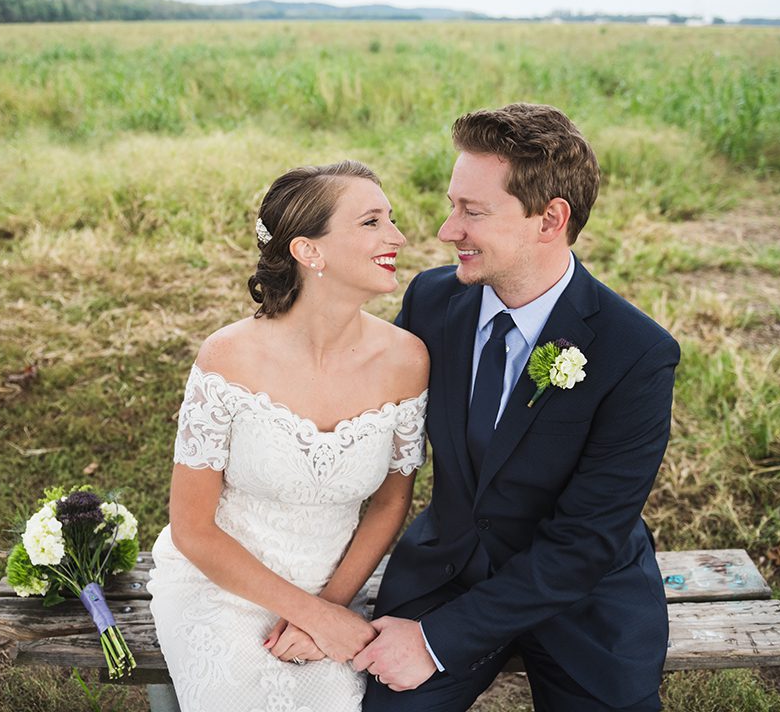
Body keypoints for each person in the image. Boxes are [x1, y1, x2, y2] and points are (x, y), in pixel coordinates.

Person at [355, 104, 680, 712]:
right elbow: (367, 434)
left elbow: (584, 543)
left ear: (550, 219)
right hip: (446, 573)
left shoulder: (636, 353)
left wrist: (436, 642)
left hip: (583, 599)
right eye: (453, 204)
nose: (447, 230)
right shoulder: (431, 301)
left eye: (472, 211)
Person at [147, 160, 429, 712]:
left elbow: (391, 502)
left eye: (390, 219)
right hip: (222, 583)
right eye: (371, 222)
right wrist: (314, 616)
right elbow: (192, 530)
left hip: (335, 580)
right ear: (309, 250)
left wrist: (331, 607)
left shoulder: (405, 359)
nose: (397, 236)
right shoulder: (228, 357)